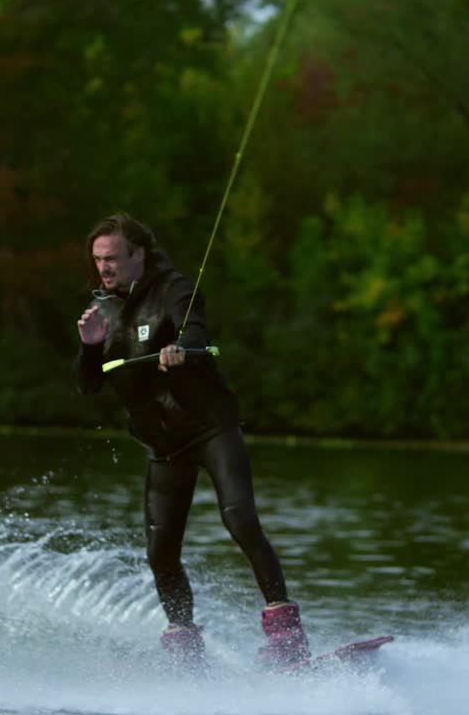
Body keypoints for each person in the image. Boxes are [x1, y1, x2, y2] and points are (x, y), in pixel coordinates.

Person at [73, 212, 309, 671]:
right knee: (161, 552)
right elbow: (89, 386)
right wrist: (88, 346)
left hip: (209, 427)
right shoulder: (101, 310)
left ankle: (287, 635)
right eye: (98, 259)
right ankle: (184, 646)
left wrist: (181, 347)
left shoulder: (175, 288)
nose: (104, 268)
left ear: (138, 254)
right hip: (163, 443)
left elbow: (196, 330)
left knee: (240, 520)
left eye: (113, 259)